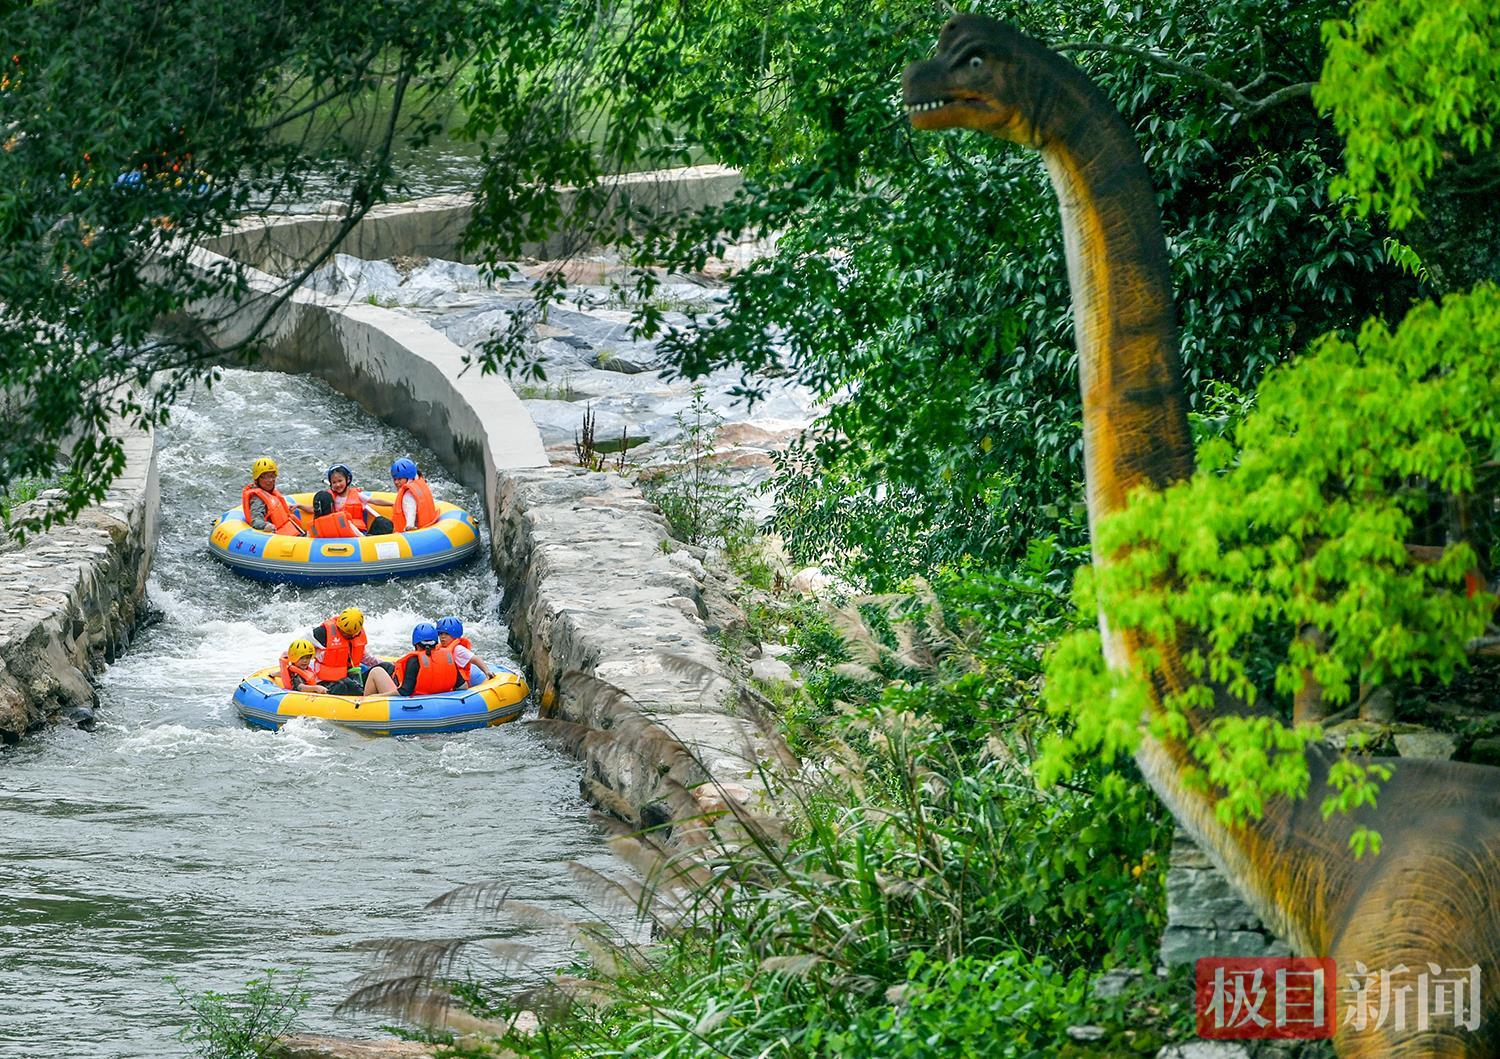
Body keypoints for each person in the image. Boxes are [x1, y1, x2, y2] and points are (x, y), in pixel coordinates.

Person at [363, 623, 463, 697]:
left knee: (376, 671)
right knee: (388, 667)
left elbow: (404, 691)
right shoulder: (448, 657)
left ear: (415, 643)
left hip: (404, 699)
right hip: (437, 696)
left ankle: (363, 702)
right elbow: (463, 686)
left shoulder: (414, 660)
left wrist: (376, 696)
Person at [308, 607, 383, 695]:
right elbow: (300, 647)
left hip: (350, 678)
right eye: (343, 632)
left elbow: (364, 657)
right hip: (327, 683)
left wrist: (381, 663)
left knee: (386, 666)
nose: (344, 635)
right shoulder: (322, 633)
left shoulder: (356, 637)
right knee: (348, 684)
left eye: (348, 635)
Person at [326, 464, 394, 536]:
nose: (337, 485)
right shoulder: (330, 498)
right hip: (341, 532)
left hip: (358, 532)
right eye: (334, 482)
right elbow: (316, 508)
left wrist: (393, 504)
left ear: (348, 479)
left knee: (382, 522)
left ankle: (365, 538)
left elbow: (375, 501)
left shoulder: (358, 495)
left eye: (340, 481)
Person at [242, 457, 304, 536]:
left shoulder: (269, 492)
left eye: (272, 476)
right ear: (257, 479)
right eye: (265, 477)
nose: (270, 480)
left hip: (291, 533)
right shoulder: (257, 499)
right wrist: (265, 525)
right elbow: (256, 520)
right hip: (281, 539)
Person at [436, 616, 494, 686]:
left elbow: (475, 659)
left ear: (455, 634)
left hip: (460, 685)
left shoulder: (458, 649)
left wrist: (487, 672)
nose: (442, 637)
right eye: (441, 633)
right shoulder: (439, 648)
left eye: (446, 634)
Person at [389, 458, 439, 533]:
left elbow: (410, 520)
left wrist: (409, 527)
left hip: (419, 533)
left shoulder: (407, 496)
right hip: (430, 525)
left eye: (399, 479)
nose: (396, 482)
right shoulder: (420, 483)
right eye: (394, 479)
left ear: (408, 477)